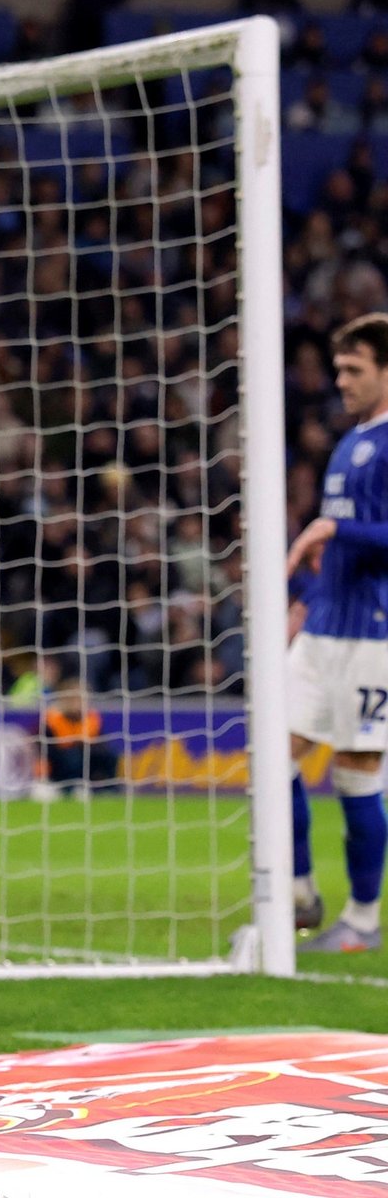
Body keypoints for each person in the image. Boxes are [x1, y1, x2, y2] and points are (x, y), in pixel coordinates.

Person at [284, 312, 388, 953]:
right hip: (323, 627)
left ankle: (362, 919)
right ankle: (296, 893)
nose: (339, 380)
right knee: (271, 756)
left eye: (354, 369)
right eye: (339, 367)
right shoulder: (351, 442)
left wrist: (332, 530)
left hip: (372, 637)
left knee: (354, 772)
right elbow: (341, 547)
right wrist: (306, 602)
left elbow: (358, 537)